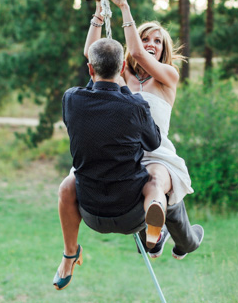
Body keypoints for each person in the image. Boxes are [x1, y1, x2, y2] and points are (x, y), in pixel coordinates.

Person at [54, 38, 161, 290]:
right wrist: (125, 90)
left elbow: (94, 96)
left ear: (90, 69)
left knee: (67, 185)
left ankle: (70, 254)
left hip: (90, 213)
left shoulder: (71, 99)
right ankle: (160, 231)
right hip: (130, 214)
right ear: (123, 66)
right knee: (157, 179)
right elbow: (153, 142)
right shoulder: (135, 106)